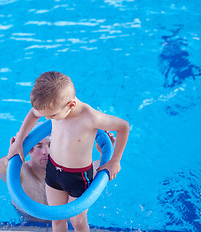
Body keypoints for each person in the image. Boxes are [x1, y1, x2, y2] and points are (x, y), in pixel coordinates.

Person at [7, 71, 129, 232]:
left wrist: (115, 160)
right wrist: (20, 141)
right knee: (57, 220)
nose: (47, 119)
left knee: (77, 221)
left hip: (78, 177)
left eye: (51, 115)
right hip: (53, 171)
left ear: (71, 105)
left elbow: (123, 126)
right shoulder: (54, 107)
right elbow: (33, 114)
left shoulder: (90, 118)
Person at [0, 128, 115, 224]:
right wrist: (12, 155)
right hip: (29, 223)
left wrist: (105, 151)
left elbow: (104, 169)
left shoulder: (75, 172)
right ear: (30, 149)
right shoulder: (21, 172)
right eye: (39, 146)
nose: (45, 152)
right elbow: (1, 169)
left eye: (51, 144)